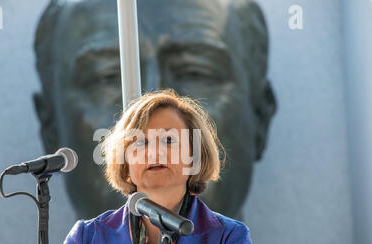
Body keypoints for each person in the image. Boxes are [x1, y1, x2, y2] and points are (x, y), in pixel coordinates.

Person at [33, 0, 277, 222]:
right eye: (107, 77)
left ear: (260, 117)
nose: (153, 111)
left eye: (195, 72)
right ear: (50, 126)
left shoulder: (233, 241)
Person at [55, 90, 253, 244]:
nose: (154, 153)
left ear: (195, 155)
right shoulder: (85, 239)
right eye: (140, 142)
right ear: (125, 161)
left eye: (169, 140)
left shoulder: (228, 238)